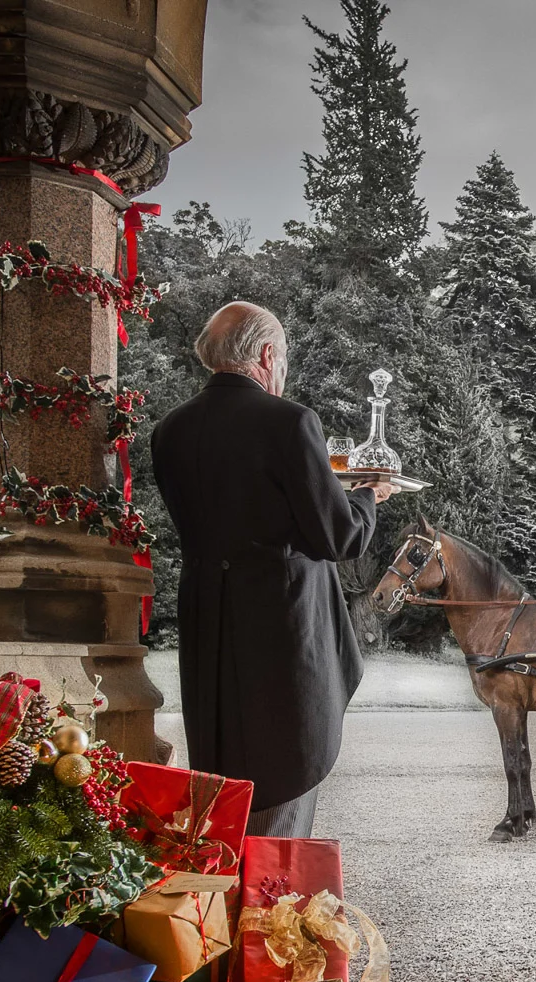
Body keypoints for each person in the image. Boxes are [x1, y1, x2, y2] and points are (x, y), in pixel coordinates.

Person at [151, 302, 396, 837]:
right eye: (282, 358)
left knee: (224, 785)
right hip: (280, 634)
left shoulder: (171, 428)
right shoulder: (290, 422)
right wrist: (368, 496)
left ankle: (222, 903)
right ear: (266, 355)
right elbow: (338, 537)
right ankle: (270, 909)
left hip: (207, 625)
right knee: (281, 789)